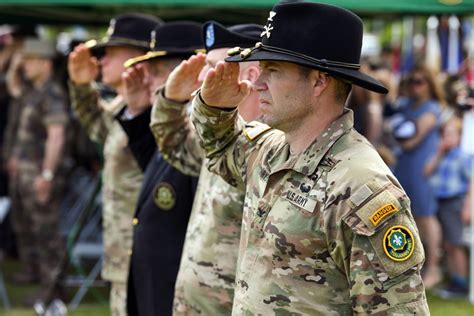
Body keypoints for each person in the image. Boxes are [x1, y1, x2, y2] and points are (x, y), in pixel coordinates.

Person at [191, 2, 429, 314]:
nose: (257, 83)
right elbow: (221, 149)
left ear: (318, 81)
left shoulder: (361, 188)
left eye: (273, 71)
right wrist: (213, 106)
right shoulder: (271, 150)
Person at [150, 22, 263, 315]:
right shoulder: (219, 137)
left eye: (212, 66)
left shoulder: (269, 147)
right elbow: (176, 148)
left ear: (249, 74)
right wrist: (170, 100)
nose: (201, 76)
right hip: (194, 302)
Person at [67, 13, 161, 315]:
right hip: (122, 249)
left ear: (139, 58)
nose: (101, 60)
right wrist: (82, 86)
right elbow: (100, 127)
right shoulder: (126, 106)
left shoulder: (157, 111)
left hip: (144, 251)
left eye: (111, 52)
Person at [117, 21, 203, 315]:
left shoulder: (199, 129)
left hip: (177, 275)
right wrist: (139, 112)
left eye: (156, 73)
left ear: (188, 75)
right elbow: (155, 170)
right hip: (155, 274)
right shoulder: (176, 122)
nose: (148, 81)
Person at [9, 38, 70, 302]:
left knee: (46, 232)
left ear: (46, 64)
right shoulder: (33, 90)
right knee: (25, 227)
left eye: (30, 60)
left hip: (39, 174)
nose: (25, 65)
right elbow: (12, 84)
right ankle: (35, 277)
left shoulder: (52, 93)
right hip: (24, 172)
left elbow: (57, 135)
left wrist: (47, 175)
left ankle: (53, 288)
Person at [393, 65, 444, 288]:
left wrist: (398, 138)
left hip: (421, 168)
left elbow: (412, 140)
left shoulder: (431, 109)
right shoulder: (406, 106)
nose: (415, 86)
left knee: (425, 216)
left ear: (430, 84)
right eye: (411, 81)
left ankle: (434, 267)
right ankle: (415, 265)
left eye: (420, 81)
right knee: (408, 216)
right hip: (405, 166)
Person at [424, 116, 472, 298]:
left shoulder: (463, 156)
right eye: (444, 134)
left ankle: (461, 282)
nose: (447, 138)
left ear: (460, 136)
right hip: (441, 203)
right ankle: (454, 280)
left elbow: (471, 182)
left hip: (455, 202)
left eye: (451, 134)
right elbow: (426, 172)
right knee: (447, 244)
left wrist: (468, 206)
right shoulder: (441, 156)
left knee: (455, 242)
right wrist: (438, 153)